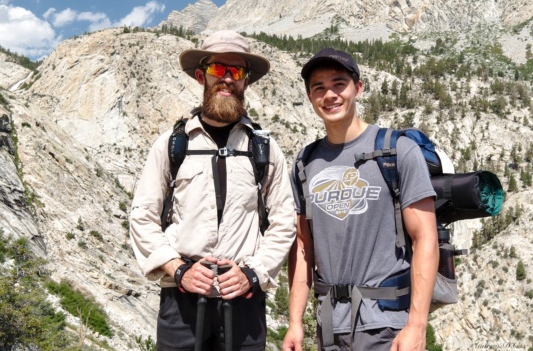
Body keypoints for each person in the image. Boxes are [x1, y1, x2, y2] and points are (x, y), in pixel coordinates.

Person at [130, 30, 296, 351]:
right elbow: (142, 217)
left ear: (246, 81)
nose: (228, 79)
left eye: (237, 72)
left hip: (244, 301)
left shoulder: (264, 148)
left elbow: (284, 221)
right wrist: (178, 270)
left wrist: (253, 273)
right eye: (218, 70)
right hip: (182, 301)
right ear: (200, 76)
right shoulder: (171, 145)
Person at [282, 48, 438, 351]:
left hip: (386, 326)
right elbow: (303, 247)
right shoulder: (305, 162)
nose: (329, 94)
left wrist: (417, 327)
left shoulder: (398, 151)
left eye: (339, 83)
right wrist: (295, 322)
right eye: (319, 87)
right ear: (310, 97)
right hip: (329, 327)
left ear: (358, 88)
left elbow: (425, 238)